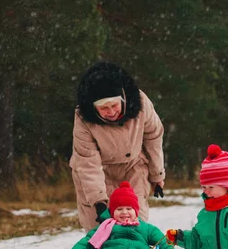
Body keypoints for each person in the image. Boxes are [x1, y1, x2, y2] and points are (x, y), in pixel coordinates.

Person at [70, 61, 166, 233]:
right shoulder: (83, 119)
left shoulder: (141, 104)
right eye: (103, 108)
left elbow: (154, 136)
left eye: (114, 105)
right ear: (93, 107)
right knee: (99, 230)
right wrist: (99, 201)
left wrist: (157, 174)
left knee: (135, 224)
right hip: (98, 171)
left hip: (133, 167)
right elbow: (87, 161)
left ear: (123, 97)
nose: (111, 112)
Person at [63, 181, 179, 249]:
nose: (124, 212)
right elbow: (86, 241)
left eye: (129, 209)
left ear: (136, 211)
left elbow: (165, 243)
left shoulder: (146, 228)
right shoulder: (106, 226)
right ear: (112, 212)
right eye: (119, 209)